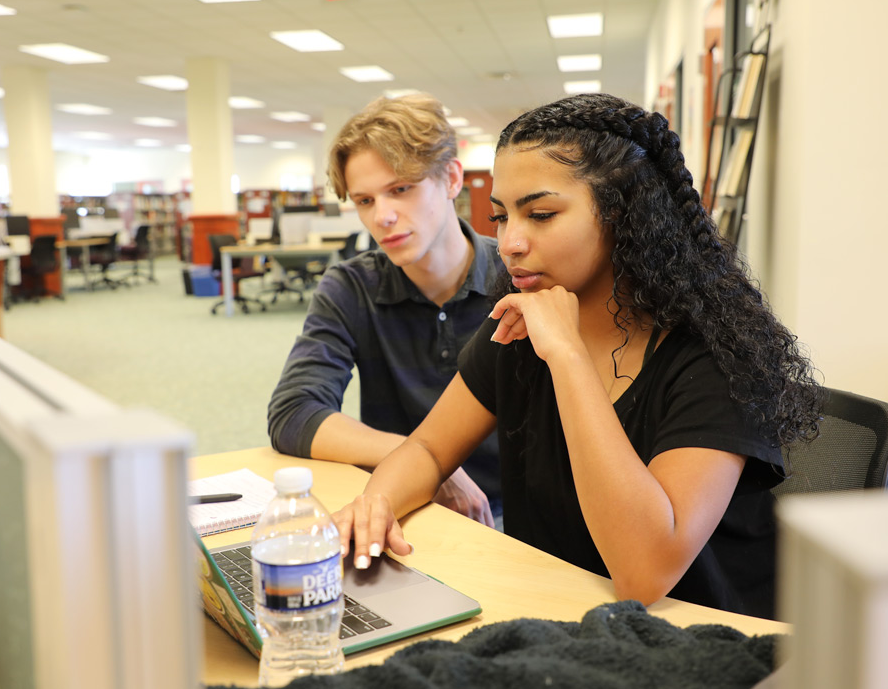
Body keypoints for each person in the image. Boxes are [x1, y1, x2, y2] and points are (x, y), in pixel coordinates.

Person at [329, 93, 822, 618]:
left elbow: (644, 572)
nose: (512, 242)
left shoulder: (712, 356)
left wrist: (567, 358)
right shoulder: (520, 328)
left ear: (623, 216)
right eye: (500, 216)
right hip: (555, 610)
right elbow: (428, 450)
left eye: (541, 214)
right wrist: (376, 501)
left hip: (697, 634)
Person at [267, 93, 504, 525]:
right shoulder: (351, 287)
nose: (383, 217)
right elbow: (294, 412)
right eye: (365, 201)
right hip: (407, 507)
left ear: (451, 178)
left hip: (517, 519)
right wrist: (422, 461)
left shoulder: (518, 279)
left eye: (400, 190)